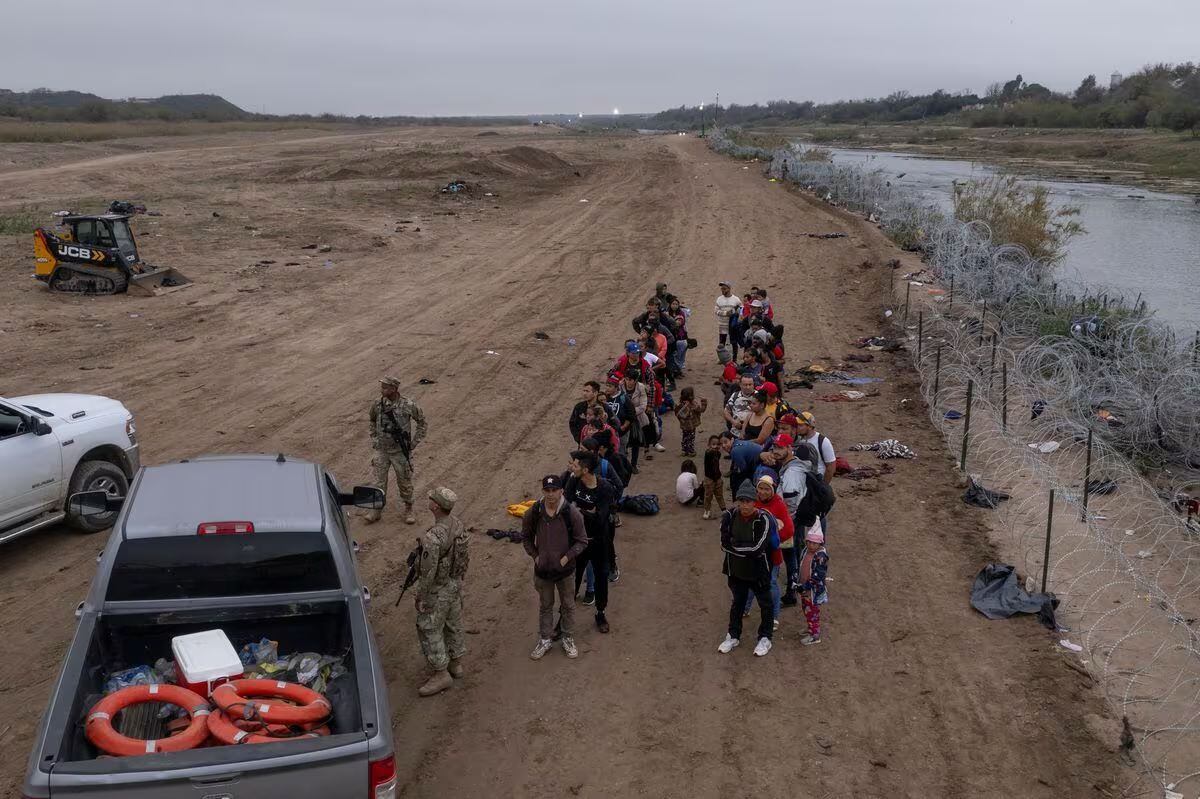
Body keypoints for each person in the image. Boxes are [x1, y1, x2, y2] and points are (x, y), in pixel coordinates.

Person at [523, 475, 589, 660]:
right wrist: (536, 557)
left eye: (554, 490)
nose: (551, 494)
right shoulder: (535, 511)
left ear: (561, 491)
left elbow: (582, 541)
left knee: (568, 605)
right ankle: (545, 639)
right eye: (547, 490)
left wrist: (566, 558)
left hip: (565, 572)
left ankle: (568, 637)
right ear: (543, 491)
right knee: (545, 605)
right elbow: (526, 537)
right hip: (543, 571)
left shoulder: (571, 513)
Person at [412, 487, 469, 696]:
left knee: (428, 627)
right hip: (455, 584)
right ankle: (456, 664)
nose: (428, 500)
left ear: (435, 506)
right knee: (453, 622)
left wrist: (422, 596)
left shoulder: (433, 537)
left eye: (431, 499)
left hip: (438, 588)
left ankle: (441, 673)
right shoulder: (458, 525)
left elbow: (427, 572)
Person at [717, 483, 779, 657]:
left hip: (758, 571)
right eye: (742, 501)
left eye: (749, 501)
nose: (745, 505)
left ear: (755, 501)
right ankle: (733, 635)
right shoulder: (730, 516)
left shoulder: (763, 519)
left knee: (765, 604)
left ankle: (765, 637)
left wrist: (735, 546)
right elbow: (724, 544)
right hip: (736, 570)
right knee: (738, 603)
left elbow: (757, 549)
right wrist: (741, 548)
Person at [565, 452, 619, 633]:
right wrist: (588, 511)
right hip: (578, 542)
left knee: (601, 578)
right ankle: (564, 618)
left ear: (585, 469)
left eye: (576, 465)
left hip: (599, 542)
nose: (573, 467)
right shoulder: (574, 481)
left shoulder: (604, 488)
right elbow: (567, 508)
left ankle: (600, 613)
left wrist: (579, 510)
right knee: (572, 579)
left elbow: (601, 518)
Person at [365, 376, 428, 525]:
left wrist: (414, 443)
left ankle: (409, 508)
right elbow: (372, 421)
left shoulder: (408, 405)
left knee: (404, 481)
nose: (382, 390)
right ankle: (377, 509)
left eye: (386, 387)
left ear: (394, 389)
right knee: (378, 482)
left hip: (400, 452)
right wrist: (374, 439)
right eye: (382, 387)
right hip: (382, 450)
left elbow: (422, 422)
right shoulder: (378, 404)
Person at [743, 475, 789, 626]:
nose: (763, 492)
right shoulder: (753, 502)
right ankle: (745, 608)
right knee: (750, 580)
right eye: (760, 488)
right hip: (754, 552)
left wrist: (771, 541)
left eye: (766, 489)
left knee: (771, 583)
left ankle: (774, 616)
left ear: (773, 490)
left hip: (772, 554)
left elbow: (789, 529)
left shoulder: (779, 505)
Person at [772, 434, 810, 606]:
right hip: (795, 519)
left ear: (789, 448)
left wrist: (785, 518)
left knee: (789, 555)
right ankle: (794, 587)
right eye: (775, 448)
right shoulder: (794, 466)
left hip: (790, 521)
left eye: (780, 447)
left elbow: (791, 498)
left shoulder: (792, 473)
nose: (776, 451)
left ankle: (791, 591)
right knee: (793, 553)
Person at [795, 411, 837, 533]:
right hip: (801, 483)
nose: (798, 427)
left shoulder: (823, 441)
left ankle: (819, 545)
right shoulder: (798, 441)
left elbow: (831, 466)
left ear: (809, 426)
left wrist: (823, 485)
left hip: (816, 484)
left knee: (818, 516)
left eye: (801, 425)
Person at [798, 524, 829, 646]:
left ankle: (814, 635)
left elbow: (818, 576)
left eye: (814, 543)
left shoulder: (821, 557)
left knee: (813, 612)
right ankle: (810, 628)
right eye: (809, 542)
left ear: (820, 544)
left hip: (813, 591)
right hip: (805, 589)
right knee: (806, 609)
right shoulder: (806, 551)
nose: (811, 545)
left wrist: (806, 586)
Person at [720, 431, 764, 498]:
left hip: (760, 466)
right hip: (759, 462)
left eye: (725, 442)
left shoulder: (735, 451)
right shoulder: (738, 442)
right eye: (721, 444)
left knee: (736, 480)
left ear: (732, 439)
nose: (723, 446)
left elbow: (743, 469)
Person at [622, 372, 650, 471]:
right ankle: (623, 464)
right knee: (622, 443)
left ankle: (633, 464)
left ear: (635, 381)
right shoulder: (620, 386)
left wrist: (630, 414)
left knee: (635, 442)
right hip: (622, 418)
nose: (628, 382)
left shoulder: (641, 388)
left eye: (630, 380)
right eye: (626, 379)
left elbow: (643, 406)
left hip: (635, 419)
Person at [673, 386, 708, 456]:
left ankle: (684, 450)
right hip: (691, 425)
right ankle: (691, 451)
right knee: (691, 438)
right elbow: (701, 410)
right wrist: (704, 402)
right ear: (691, 396)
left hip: (684, 425)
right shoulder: (693, 404)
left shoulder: (680, 404)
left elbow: (677, 414)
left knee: (685, 437)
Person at [702, 434, 727, 520]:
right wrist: (714, 449)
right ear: (708, 445)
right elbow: (710, 453)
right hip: (709, 478)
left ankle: (723, 509)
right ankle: (707, 510)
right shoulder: (708, 453)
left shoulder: (718, 454)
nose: (716, 446)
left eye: (718, 444)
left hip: (717, 478)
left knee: (719, 495)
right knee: (708, 496)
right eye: (713, 444)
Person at [714, 281, 741, 354]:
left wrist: (735, 314)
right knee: (722, 341)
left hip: (732, 325)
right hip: (722, 325)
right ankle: (722, 357)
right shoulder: (719, 299)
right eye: (722, 289)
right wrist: (726, 313)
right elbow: (716, 311)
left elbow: (741, 310)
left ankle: (734, 358)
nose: (722, 290)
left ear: (729, 289)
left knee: (733, 342)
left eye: (724, 289)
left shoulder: (736, 299)